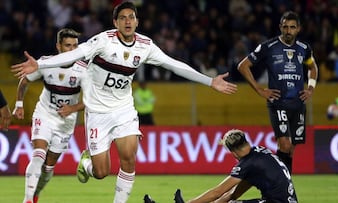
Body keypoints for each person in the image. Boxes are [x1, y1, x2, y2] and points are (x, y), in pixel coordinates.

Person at [11, 2, 237, 203]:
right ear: (115, 22)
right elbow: (74, 54)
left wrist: (209, 81)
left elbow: (173, 64)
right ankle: (87, 164)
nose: (127, 21)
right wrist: (40, 65)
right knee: (101, 172)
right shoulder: (103, 41)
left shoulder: (145, 45)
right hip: (98, 113)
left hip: (123, 110)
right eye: (123, 18)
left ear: (137, 21)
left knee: (129, 160)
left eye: (131, 17)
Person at [238, 11, 318, 174]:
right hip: (278, 102)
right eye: (285, 27)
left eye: (292, 27)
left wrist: (310, 88)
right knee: (285, 145)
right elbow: (243, 66)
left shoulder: (304, 49)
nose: (289, 31)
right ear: (280, 27)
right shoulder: (268, 47)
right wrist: (259, 90)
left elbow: (313, 68)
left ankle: (283, 184)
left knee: (290, 149)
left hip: (298, 103)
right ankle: (279, 183)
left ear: (298, 29)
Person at [12, 28, 87, 203]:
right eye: (68, 45)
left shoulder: (84, 70)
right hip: (44, 114)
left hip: (66, 122)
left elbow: (93, 100)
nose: (72, 49)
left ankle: (36, 194)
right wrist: (19, 104)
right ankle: (28, 199)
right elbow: (24, 81)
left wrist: (73, 108)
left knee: (48, 167)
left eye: (75, 46)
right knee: (38, 154)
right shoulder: (46, 63)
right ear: (58, 46)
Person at [148, 129, 298, 203]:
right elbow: (234, 194)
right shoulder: (259, 153)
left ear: (232, 152)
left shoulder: (247, 164)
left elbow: (217, 192)